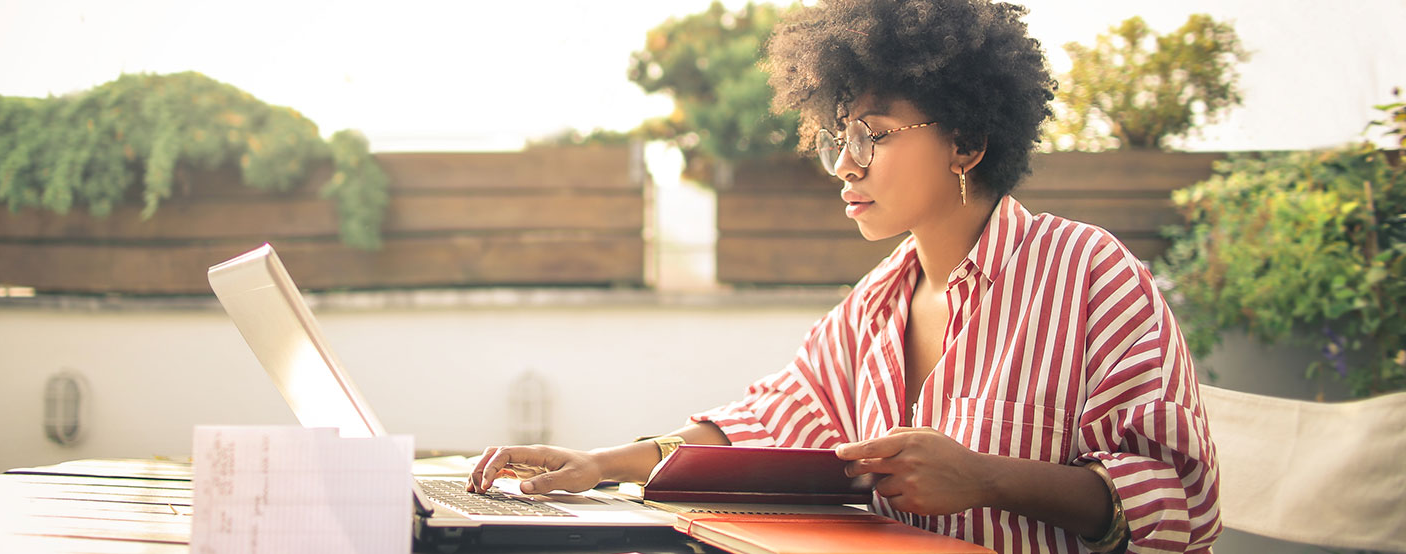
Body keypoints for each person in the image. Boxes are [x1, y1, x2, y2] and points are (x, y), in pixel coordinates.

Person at [468, 0, 1220, 551]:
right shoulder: (873, 306)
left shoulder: (1092, 276)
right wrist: (599, 463)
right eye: (839, 138)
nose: (847, 164)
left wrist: (986, 478)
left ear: (967, 142)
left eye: (876, 135)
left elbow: (1181, 506)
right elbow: (765, 421)